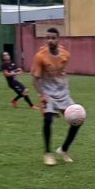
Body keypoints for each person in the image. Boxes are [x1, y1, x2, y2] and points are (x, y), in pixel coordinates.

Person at [33, 28, 82, 166]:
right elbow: (35, 79)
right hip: (48, 94)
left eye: (53, 38)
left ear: (58, 39)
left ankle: (64, 150)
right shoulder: (40, 56)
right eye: (48, 38)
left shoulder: (65, 54)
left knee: (78, 120)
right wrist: (42, 95)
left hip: (63, 93)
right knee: (48, 120)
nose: (50, 40)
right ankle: (48, 153)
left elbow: (61, 72)